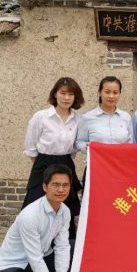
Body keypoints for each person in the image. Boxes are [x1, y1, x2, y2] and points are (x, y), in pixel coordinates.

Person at [22, 77, 84, 240]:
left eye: (71, 94)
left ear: (75, 97)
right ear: (55, 94)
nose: (66, 98)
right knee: (37, 207)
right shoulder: (41, 117)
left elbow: (75, 147)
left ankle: (64, 246)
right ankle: (35, 245)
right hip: (43, 164)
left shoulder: (78, 119)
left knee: (66, 208)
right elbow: (30, 146)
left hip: (66, 164)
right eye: (62, 93)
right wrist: (42, 166)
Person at [76, 76, 133, 151]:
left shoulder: (126, 117)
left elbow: (131, 142)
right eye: (107, 92)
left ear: (119, 93)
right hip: (97, 158)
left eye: (115, 93)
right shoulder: (87, 117)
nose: (111, 96)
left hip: (120, 158)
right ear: (99, 92)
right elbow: (79, 142)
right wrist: (87, 147)